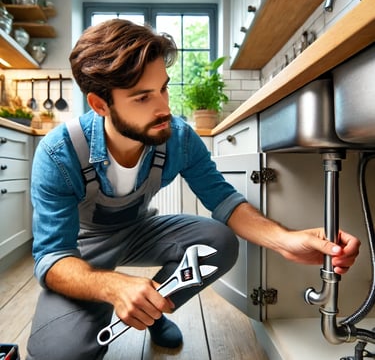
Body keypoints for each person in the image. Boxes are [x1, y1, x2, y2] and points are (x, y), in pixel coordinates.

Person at [26, 19, 360, 360]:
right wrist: (114, 287)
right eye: (142, 98)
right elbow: (52, 258)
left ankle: (152, 310)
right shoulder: (60, 153)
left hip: (140, 230)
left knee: (218, 242)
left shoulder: (178, 138)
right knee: (59, 353)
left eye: (163, 89)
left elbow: (225, 201)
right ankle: (132, 302)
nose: (164, 109)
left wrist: (287, 241)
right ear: (100, 105)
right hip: (83, 249)